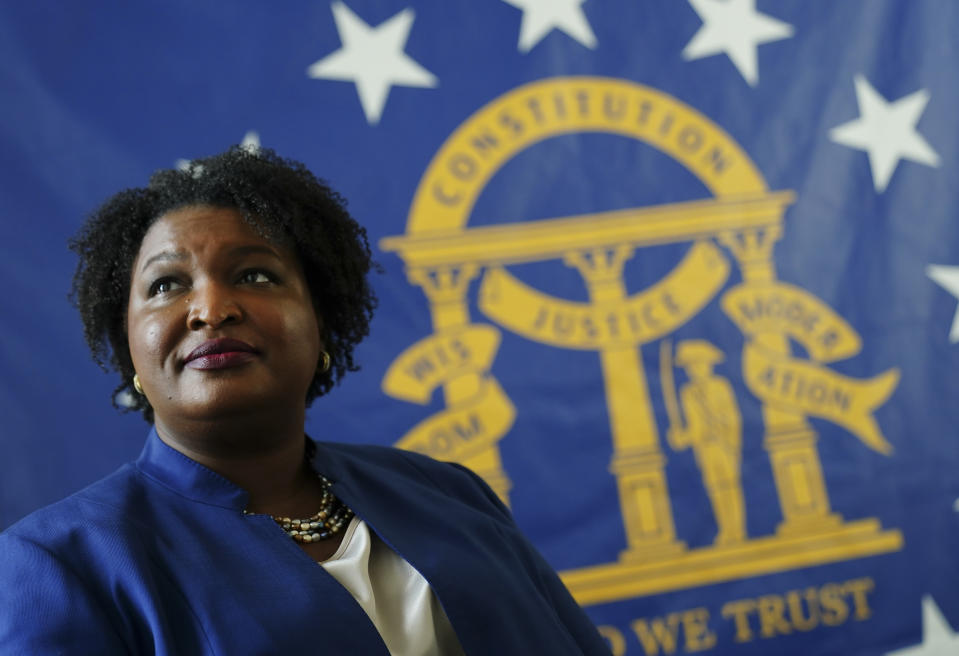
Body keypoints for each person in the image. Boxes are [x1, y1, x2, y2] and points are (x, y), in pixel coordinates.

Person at [0, 147, 608, 654]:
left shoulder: (450, 492)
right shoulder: (56, 565)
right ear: (128, 347)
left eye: (256, 275)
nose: (212, 309)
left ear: (320, 322)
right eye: (166, 285)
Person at [667, 339, 746, 546]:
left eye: (699, 364)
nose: (695, 370)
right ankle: (726, 530)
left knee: (729, 486)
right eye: (691, 366)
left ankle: (737, 529)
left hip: (724, 444)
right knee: (715, 487)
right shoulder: (688, 393)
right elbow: (695, 426)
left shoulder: (720, 387)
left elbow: (731, 416)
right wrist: (682, 437)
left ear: (708, 364)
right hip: (705, 449)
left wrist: (691, 437)